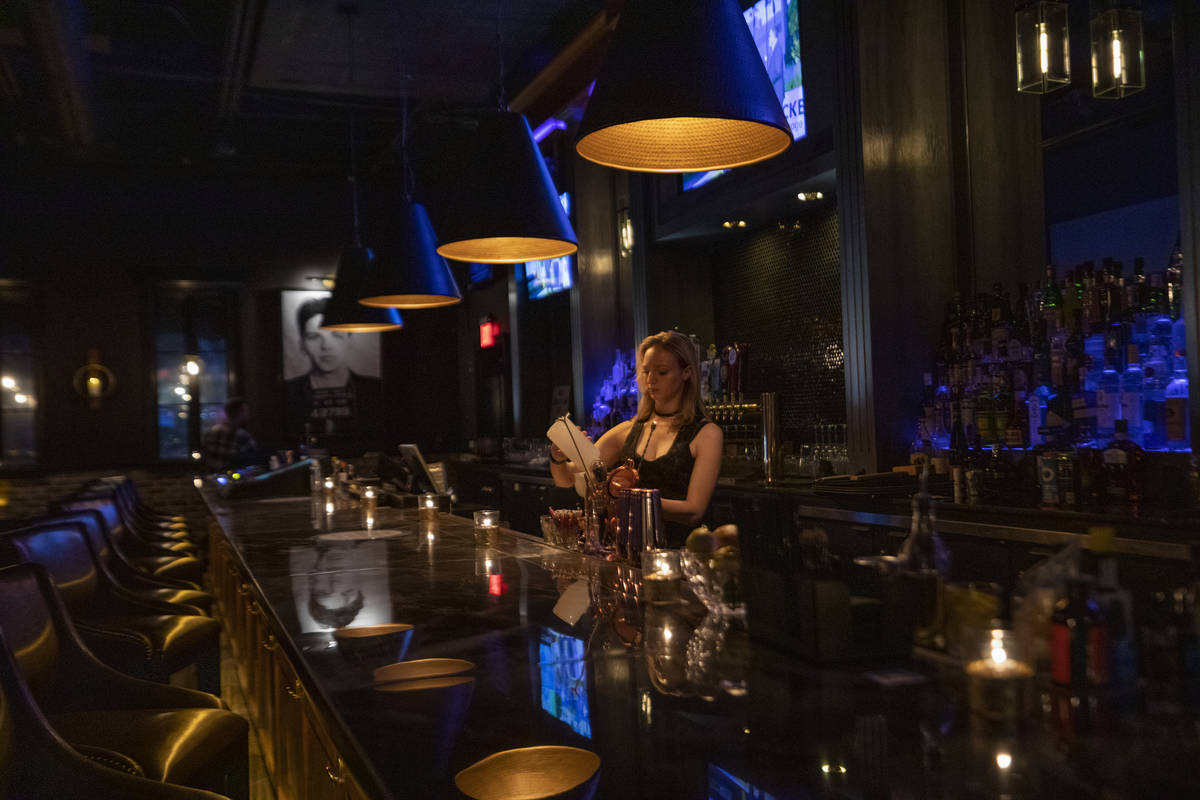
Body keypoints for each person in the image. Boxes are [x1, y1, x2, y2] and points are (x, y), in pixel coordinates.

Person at [550, 331, 723, 546]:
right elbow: (566, 478)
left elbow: (693, 511)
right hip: (629, 557)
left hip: (679, 558)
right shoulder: (628, 430)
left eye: (662, 372)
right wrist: (557, 457)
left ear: (686, 372)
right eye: (647, 371)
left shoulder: (706, 434)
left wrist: (626, 497)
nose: (651, 380)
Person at [284, 297, 383, 441]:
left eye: (336, 335)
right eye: (314, 337)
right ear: (302, 344)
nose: (326, 346)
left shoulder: (373, 389)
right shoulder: (290, 392)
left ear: (349, 339)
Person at [201, 397, 258, 471]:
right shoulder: (242, 436)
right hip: (233, 480)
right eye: (246, 411)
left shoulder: (210, 432)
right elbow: (254, 460)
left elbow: (203, 457)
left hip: (211, 478)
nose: (248, 414)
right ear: (240, 412)